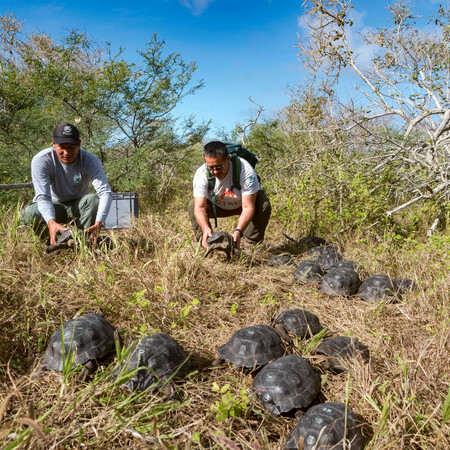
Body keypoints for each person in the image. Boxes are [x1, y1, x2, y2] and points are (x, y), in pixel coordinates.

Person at [21, 122, 112, 245]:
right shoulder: (42, 160)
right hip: (54, 205)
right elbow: (43, 197)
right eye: (62, 147)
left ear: (79, 144)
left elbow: (105, 193)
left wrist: (99, 222)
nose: (66, 152)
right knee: (30, 213)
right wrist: (51, 222)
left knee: (94, 200)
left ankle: (80, 241)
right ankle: (51, 242)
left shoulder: (90, 160)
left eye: (71, 148)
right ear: (54, 143)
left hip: (78, 206)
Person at [188, 140, 271, 249]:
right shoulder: (201, 174)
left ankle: (250, 245)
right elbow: (200, 207)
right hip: (216, 206)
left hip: (241, 205)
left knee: (263, 204)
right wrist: (205, 228)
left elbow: (248, 207)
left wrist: (238, 231)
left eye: (219, 167)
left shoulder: (245, 170)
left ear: (228, 159)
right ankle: (206, 243)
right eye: (211, 168)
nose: (215, 171)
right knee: (193, 205)